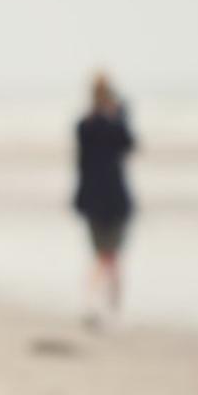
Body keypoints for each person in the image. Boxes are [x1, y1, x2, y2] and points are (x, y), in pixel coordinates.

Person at [73, 72, 135, 323]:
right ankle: (109, 306)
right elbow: (129, 144)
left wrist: (79, 198)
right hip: (114, 198)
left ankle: (98, 303)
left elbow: (81, 165)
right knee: (110, 255)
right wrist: (121, 116)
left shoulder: (84, 125)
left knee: (103, 255)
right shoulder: (111, 125)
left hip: (94, 199)